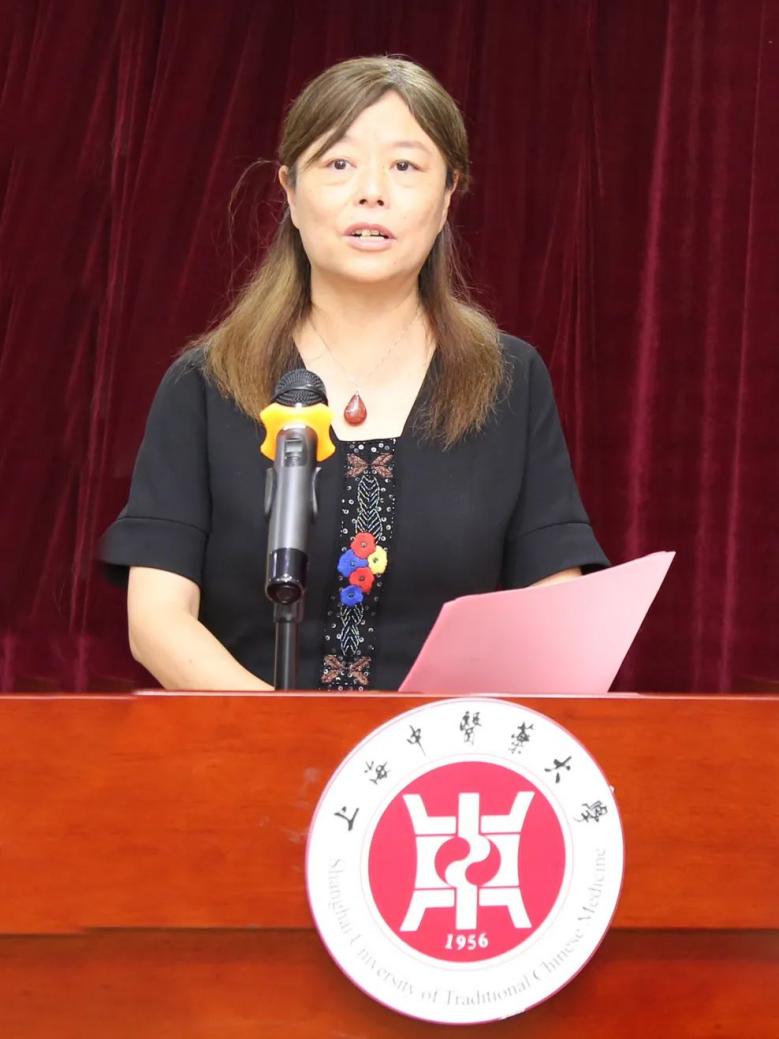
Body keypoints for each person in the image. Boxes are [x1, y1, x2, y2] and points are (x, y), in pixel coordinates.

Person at [99, 55, 608, 692]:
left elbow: (553, 610)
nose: (372, 191)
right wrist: (281, 733)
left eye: (405, 166)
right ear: (289, 191)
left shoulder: (507, 380)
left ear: (447, 198)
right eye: (338, 163)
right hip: (247, 743)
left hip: (440, 751)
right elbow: (157, 619)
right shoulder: (207, 383)